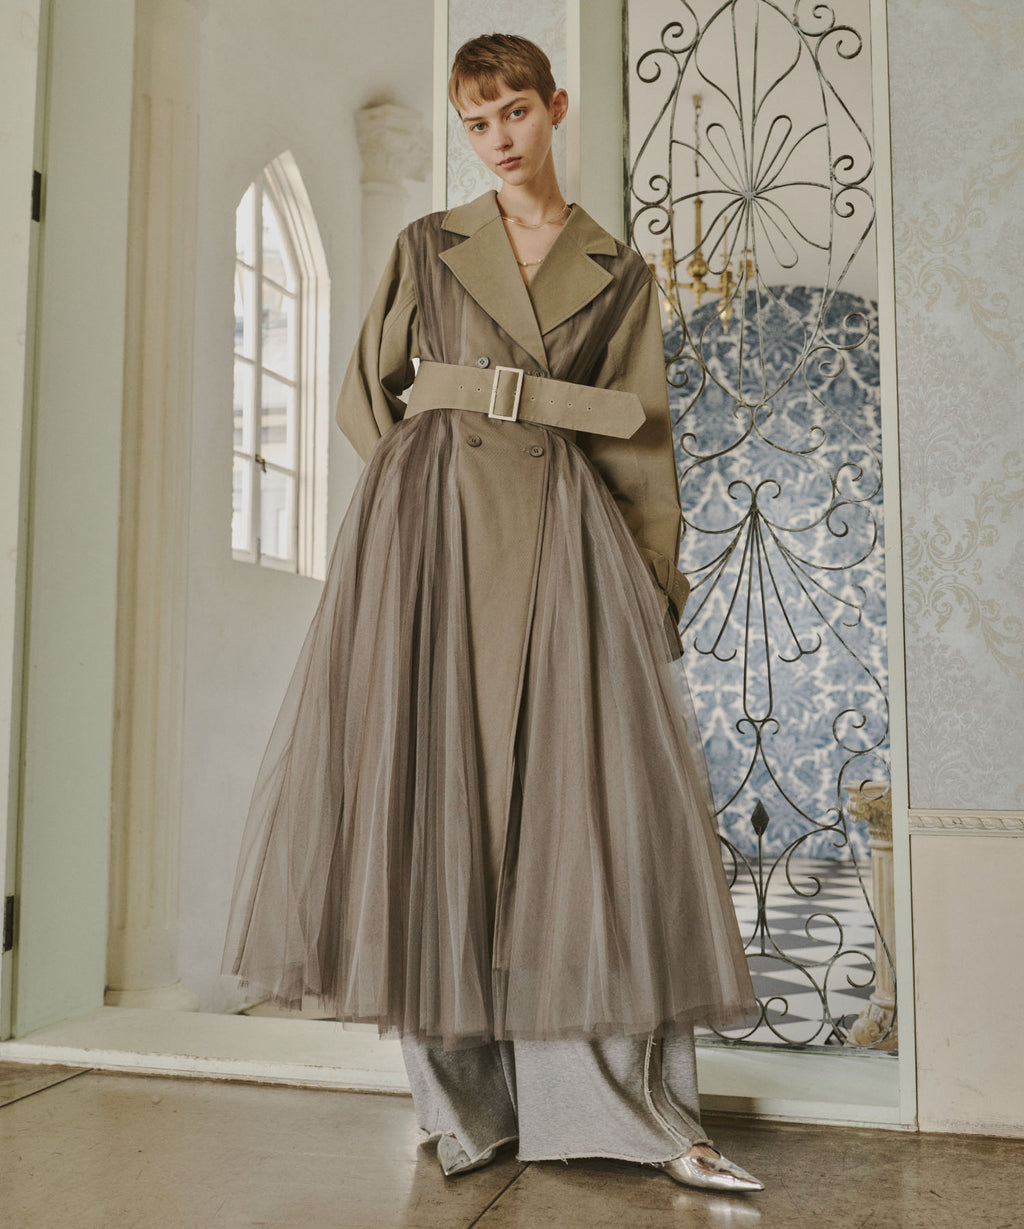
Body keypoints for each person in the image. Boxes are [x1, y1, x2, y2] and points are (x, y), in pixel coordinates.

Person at [220, 32, 763, 1195]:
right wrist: (415, 500)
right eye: (476, 122)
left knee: (580, 814)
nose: (497, 138)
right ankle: (466, 1107)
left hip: (566, 540)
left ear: (554, 107)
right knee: (436, 798)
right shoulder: (428, 244)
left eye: (514, 111)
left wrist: (650, 584)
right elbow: (367, 392)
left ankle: (617, 1109)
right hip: (436, 545)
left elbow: (644, 443)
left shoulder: (618, 271)